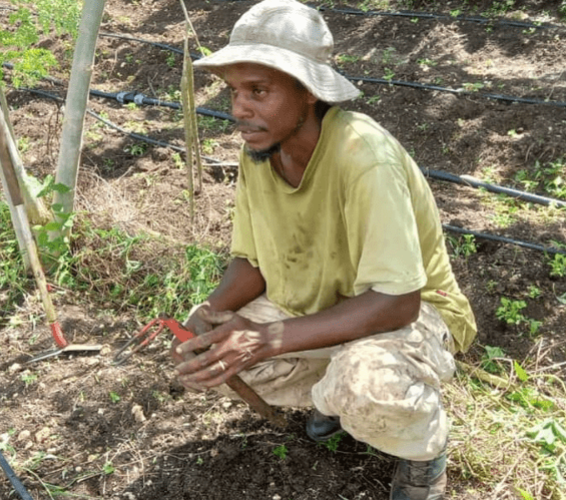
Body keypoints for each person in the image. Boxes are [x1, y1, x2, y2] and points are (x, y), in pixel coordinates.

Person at [171, 0, 477, 498]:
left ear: (309, 92)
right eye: (234, 92)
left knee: (369, 386)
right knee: (217, 349)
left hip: (410, 315)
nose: (239, 109)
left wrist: (268, 337)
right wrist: (210, 313)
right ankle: (330, 396)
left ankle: (424, 452)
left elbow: (398, 301)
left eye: (259, 91)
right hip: (316, 306)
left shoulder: (363, 156)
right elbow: (251, 260)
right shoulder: (258, 152)